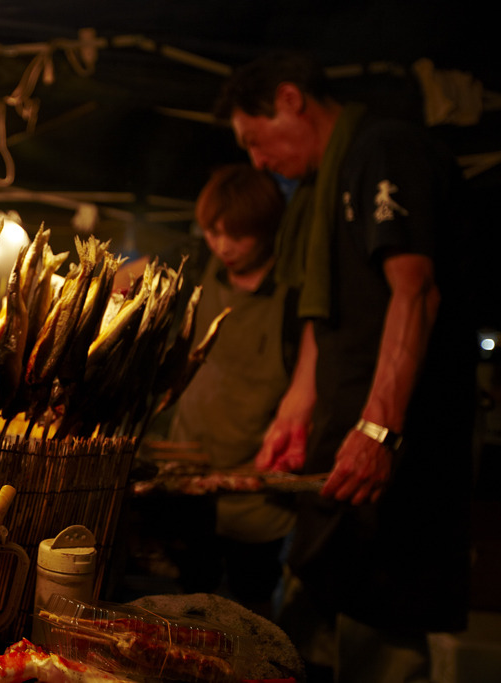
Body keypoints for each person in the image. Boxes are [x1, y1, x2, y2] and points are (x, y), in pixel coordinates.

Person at [216, 51, 475, 681]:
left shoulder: (382, 151)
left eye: (255, 140)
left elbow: (415, 291)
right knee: (314, 626)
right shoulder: (317, 191)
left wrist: (379, 429)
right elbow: (325, 321)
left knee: (380, 640)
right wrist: (294, 413)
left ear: (289, 99)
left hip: (396, 454)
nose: (257, 162)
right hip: (341, 443)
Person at [164, 163, 298, 615]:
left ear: (265, 230)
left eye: (236, 235)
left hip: (257, 489)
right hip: (188, 478)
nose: (223, 246)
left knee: (254, 608)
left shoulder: (293, 298)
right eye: (213, 232)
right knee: (186, 607)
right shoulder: (198, 270)